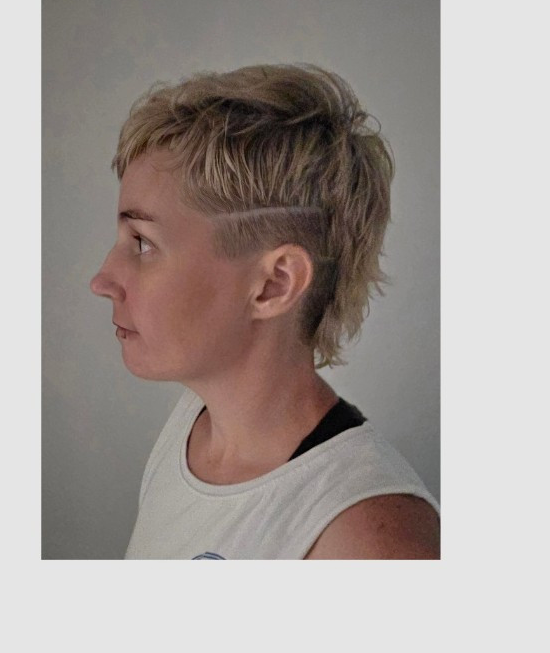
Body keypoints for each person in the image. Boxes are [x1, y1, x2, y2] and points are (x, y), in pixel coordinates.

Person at [90, 63, 440, 559]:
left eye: (143, 243)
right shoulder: (193, 426)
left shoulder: (366, 538)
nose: (102, 280)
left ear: (274, 284)